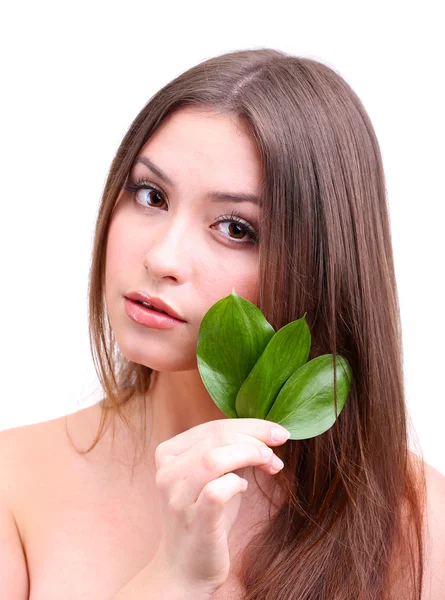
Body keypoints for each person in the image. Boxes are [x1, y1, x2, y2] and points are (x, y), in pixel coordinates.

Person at [1, 47, 444, 600]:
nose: (162, 258)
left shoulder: (419, 524)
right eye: (150, 195)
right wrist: (173, 578)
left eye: (236, 228)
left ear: (323, 269)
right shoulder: (13, 485)